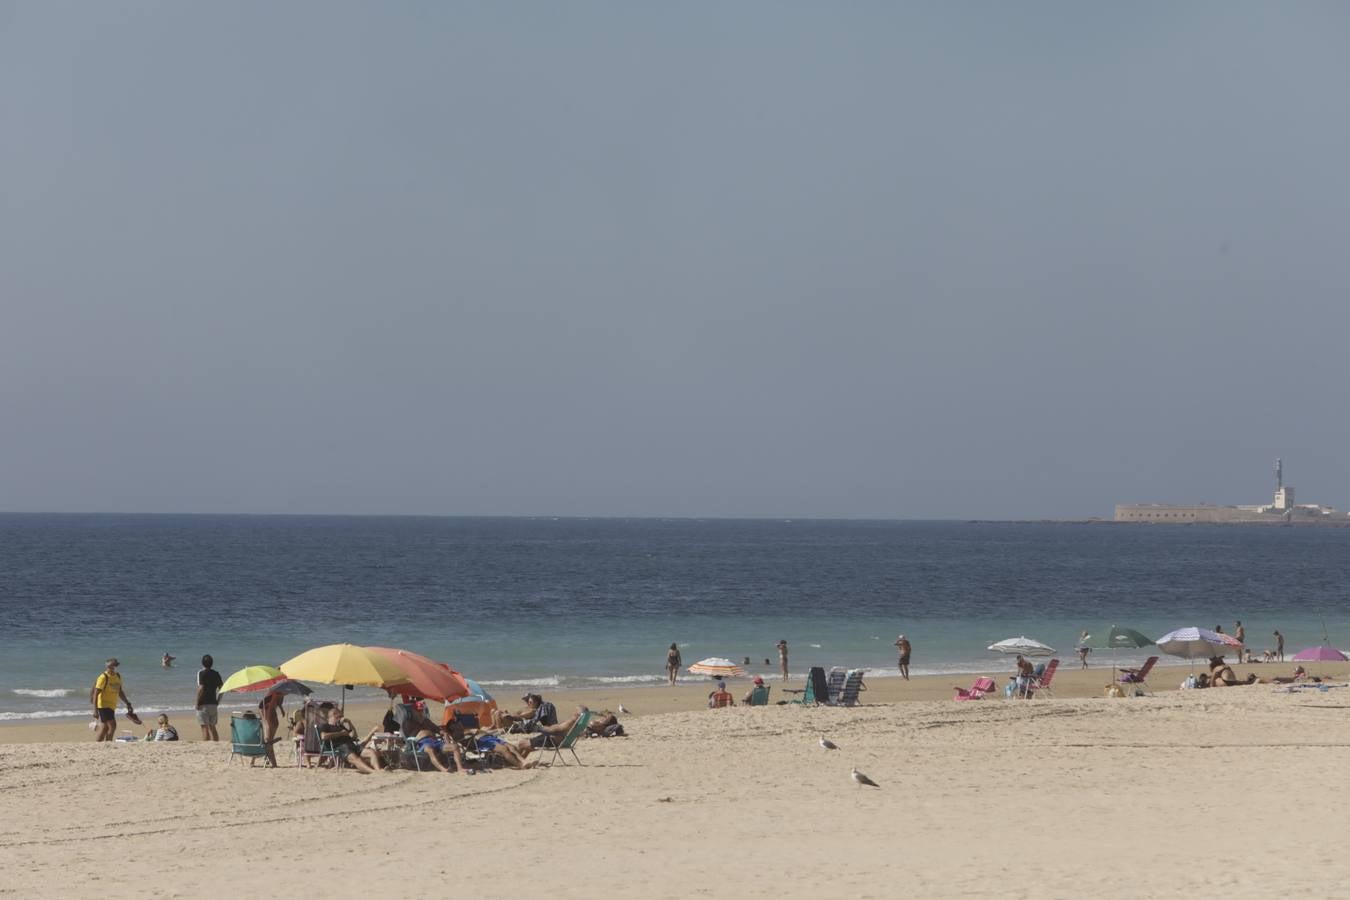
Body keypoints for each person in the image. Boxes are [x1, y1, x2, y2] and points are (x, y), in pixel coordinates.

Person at [317, 706, 381, 773]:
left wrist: (349, 723)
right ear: (334, 715)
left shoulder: (341, 726)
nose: (341, 718)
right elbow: (323, 736)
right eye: (340, 716)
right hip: (340, 747)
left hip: (352, 746)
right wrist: (340, 734)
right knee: (356, 759)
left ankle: (378, 770)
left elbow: (354, 736)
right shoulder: (325, 726)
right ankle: (373, 772)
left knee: (372, 752)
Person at [90, 658, 135, 742]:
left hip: (112, 705)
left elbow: (120, 691)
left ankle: (98, 744)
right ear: (109, 666)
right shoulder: (103, 677)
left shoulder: (117, 676)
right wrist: (95, 710)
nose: (116, 667)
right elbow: (96, 694)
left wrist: (127, 703)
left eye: (117, 665)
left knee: (105, 727)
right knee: (113, 725)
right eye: (115, 665)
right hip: (103, 705)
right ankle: (109, 743)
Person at [492, 693, 558, 732]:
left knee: (497, 713)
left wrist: (510, 716)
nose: (527, 703)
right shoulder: (536, 709)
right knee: (495, 712)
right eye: (525, 700)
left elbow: (523, 717)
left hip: (518, 723)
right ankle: (496, 728)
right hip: (518, 722)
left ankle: (499, 730)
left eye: (529, 701)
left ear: (536, 702)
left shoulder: (534, 710)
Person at [195, 654, 223, 741]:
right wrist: (218, 700)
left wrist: (197, 702)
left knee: (204, 727)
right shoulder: (216, 673)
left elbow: (201, 688)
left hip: (203, 704)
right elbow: (222, 688)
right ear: (212, 663)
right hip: (213, 704)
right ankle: (216, 744)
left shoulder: (201, 673)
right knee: (212, 727)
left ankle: (206, 745)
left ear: (202, 663)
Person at [259, 692, 287, 767]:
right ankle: (273, 762)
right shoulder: (273, 695)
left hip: (269, 711)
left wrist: (281, 709)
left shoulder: (279, 695)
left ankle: (267, 758)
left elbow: (279, 703)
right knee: (269, 741)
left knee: (269, 740)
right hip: (266, 711)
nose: (287, 693)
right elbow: (262, 707)